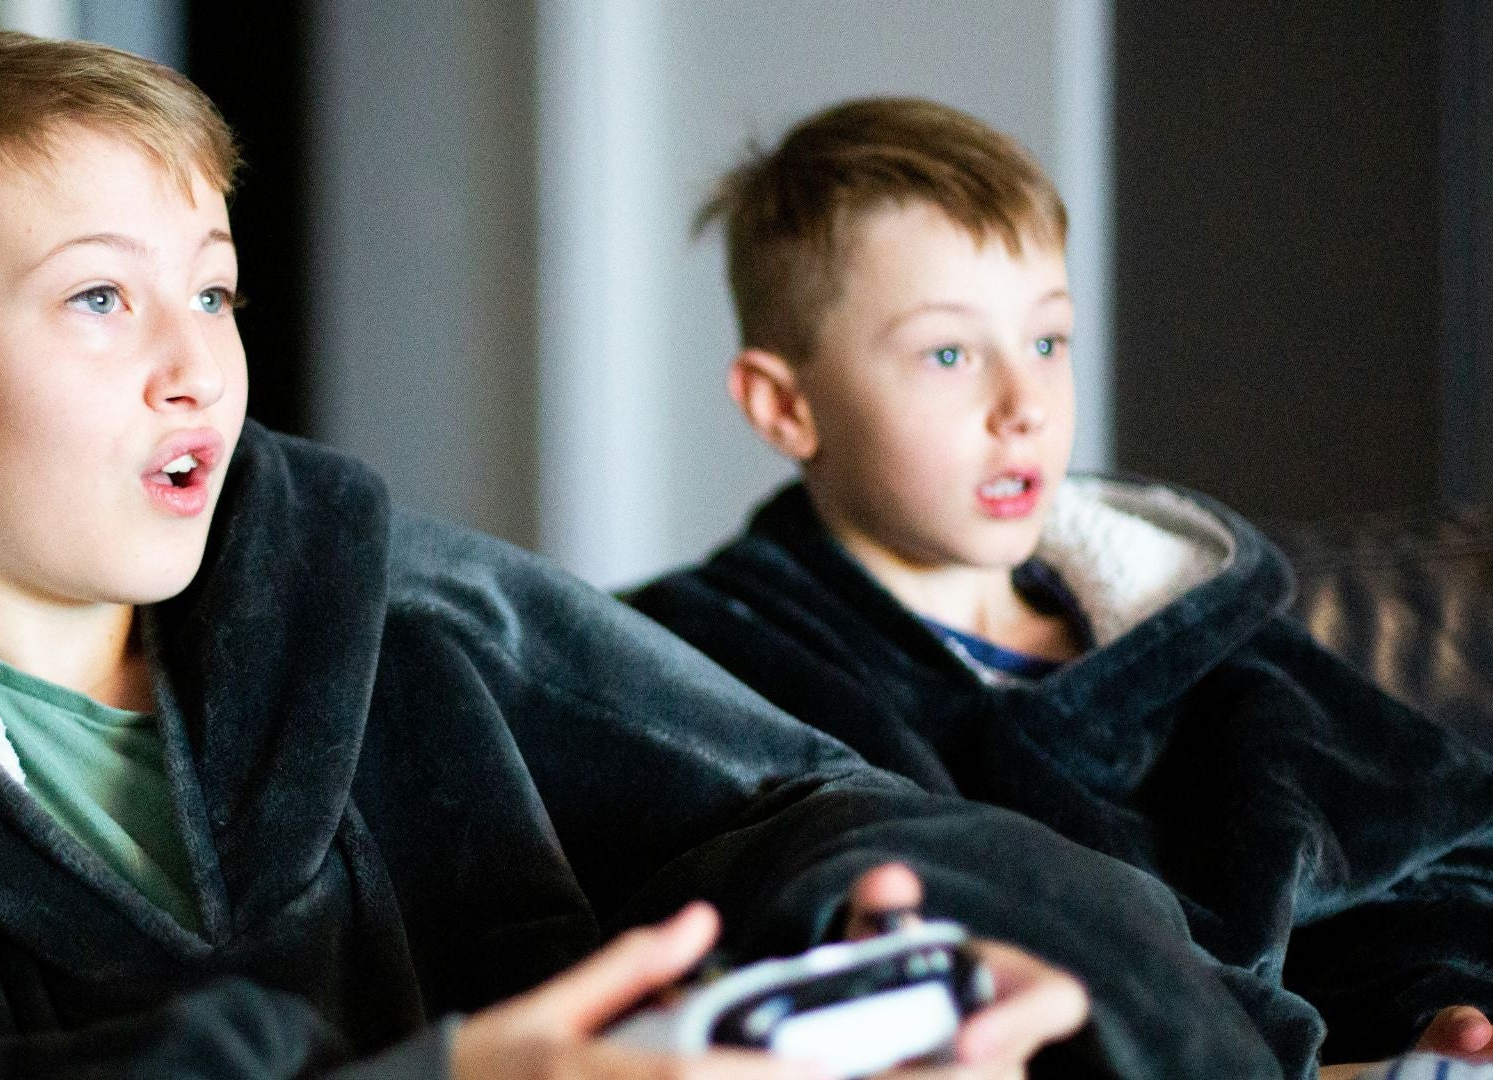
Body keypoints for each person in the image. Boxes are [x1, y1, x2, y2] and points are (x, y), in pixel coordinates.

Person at [0, 29, 1292, 1080]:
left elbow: (822, 808)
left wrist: (921, 958)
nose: (197, 367)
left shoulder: (414, 612)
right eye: (101, 298)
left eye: (215, 292)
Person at [624, 96, 1493, 1080]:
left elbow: (1431, 850)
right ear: (785, 405)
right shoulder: (705, 663)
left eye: (1047, 342)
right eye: (949, 354)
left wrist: (1437, 1008)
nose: (1024, 406)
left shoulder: (1188, 629)